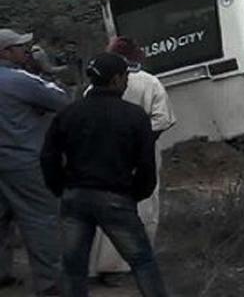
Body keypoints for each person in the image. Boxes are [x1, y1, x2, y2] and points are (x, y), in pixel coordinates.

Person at [41, 53, 169, 297]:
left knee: (74, 268)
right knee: (142, 262)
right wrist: (136, 194)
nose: (127, 84)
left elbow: (49, 156)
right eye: (125, 78)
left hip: (75, 197)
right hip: (116, 198)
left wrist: (60, 188)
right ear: (117, 79)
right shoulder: (134, 116)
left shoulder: (70, 113)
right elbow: (146, 165)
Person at [88, 38, 176, 285]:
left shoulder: (97, 83)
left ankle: (101, 267)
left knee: (106, 205)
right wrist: (140, 137)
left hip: (104, 154)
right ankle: (126, 267)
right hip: (142, 154)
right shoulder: (150, 82)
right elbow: (164, 119)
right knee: (144, 206)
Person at [0, 29, 71, 296]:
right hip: (24, 162)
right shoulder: (21, 80)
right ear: (5, 52)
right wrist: (45, 70)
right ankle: (50, 283)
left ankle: (3, 275)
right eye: (20, 47)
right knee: (40, 220)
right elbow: (63, 101)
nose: (26, 51)